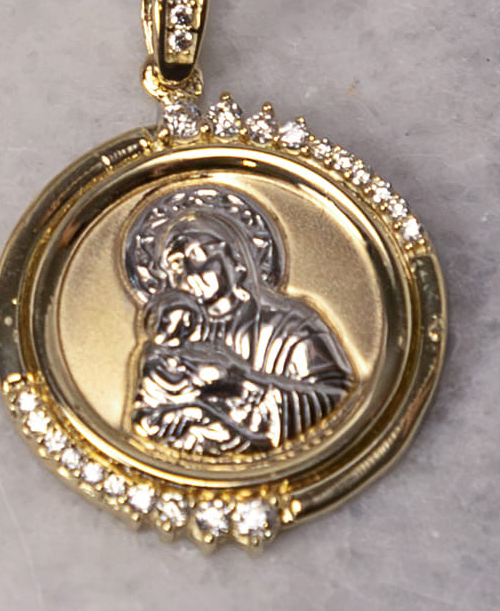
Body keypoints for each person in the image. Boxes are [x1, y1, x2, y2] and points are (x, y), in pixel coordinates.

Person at [123, 182, 351, 455]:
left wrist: (241, 384)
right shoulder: (173, 337)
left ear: (238, 258)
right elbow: (145, 419)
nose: (187, 271)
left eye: (197, 254)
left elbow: (338, 401)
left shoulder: (292, 327)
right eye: (175, 263)